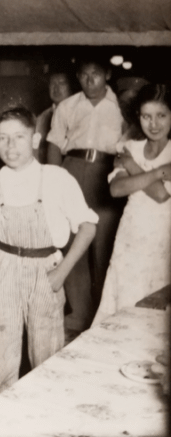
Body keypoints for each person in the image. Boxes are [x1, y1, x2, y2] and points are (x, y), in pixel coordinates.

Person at [0, 106, 97, 401]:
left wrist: (61, 274)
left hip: (46, 272)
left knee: (46, 363)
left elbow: (87, 227)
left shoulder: (57, 179)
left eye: (19, 137)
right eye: (3, 138)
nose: (11, 146)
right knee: (2, 367)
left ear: (35, 140)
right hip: (4, 270)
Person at [46, 56, 124, 331]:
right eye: (84, 75)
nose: (90, 80)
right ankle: (78, 314)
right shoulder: (67, 106)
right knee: (71, 243)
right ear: (77, 77)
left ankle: (103, 317)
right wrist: (54, 181)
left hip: (107, 174)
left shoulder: (122, 107)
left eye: (96, 74)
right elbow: (55, 143)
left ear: (108, 75)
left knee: (104, 246)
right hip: (73, 170)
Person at [93, 83, 171, 325]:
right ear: (138, 117)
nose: (154, 124)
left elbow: (160, 195)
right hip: (130, 238)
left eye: (161, 116)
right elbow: (116, 188)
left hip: (161, 240)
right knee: (121, 304)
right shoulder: (130, 148)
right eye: (147, 116)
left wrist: (132, 167)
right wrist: (158, 172)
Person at [34, 67, 74, 162]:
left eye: (62, 83)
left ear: (71, 86)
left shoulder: (79, 113)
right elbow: (36, 150)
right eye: (52, 84)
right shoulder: (42, 117)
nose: (56, 88)